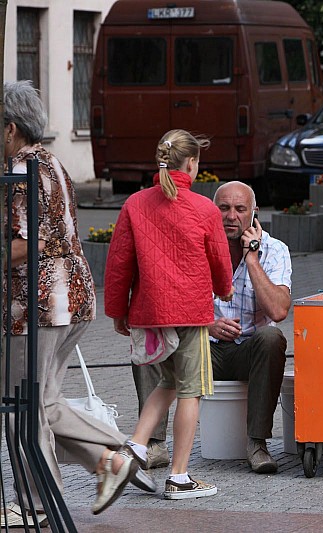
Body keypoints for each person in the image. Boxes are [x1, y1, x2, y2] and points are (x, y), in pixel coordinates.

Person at [2, 79, 139, 522]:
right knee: (43, 403)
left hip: (37, 306)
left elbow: (26, 244)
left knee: (20, 407)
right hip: (72, 300)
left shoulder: (19, 171)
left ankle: (39, 504)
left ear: (10, 128)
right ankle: (113, 459)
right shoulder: (53, 162)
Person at [105, 129, 233, 499]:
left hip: (149, 312)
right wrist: (224, 289)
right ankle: (179, 476)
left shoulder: (135, 204)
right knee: (190, 391)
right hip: (191, 312)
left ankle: (135, 447)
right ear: (191, 164)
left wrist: (117, 310)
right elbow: (220, 261)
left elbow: (118, 264)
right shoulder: (205, 208)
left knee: (168, 383)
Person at [133, 180, 291, 474]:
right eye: (224, 208)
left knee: (272, 337)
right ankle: (153, 444)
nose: (232, 216)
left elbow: (279, 310)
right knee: (153, 340)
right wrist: (206, 324)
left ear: (254, 213)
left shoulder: (275, 249)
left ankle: (257, 444)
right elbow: (169, 302)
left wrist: (251, 258)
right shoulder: (194, 243)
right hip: (201, 346)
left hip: (249, 352)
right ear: (211, 210)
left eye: (240, 209)